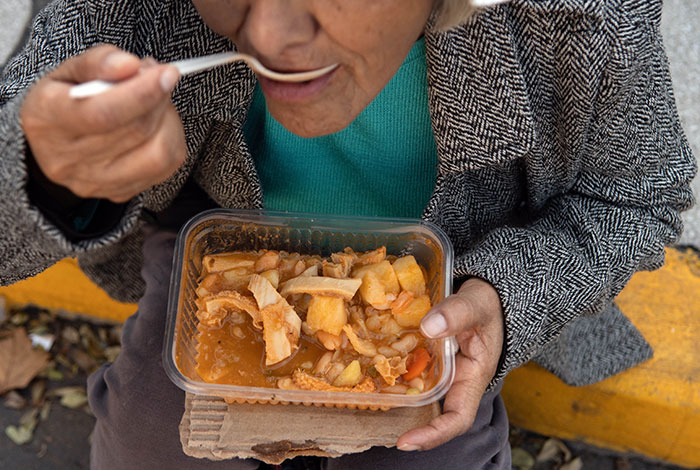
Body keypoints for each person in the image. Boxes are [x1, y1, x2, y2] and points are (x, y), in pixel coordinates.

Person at [0, 0, 695, 469]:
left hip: (449, 296)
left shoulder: (581, 20)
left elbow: (634, 199)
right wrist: (51, 175)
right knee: (146, 440)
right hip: (209, 254)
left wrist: (507, 299)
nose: (268, 35)